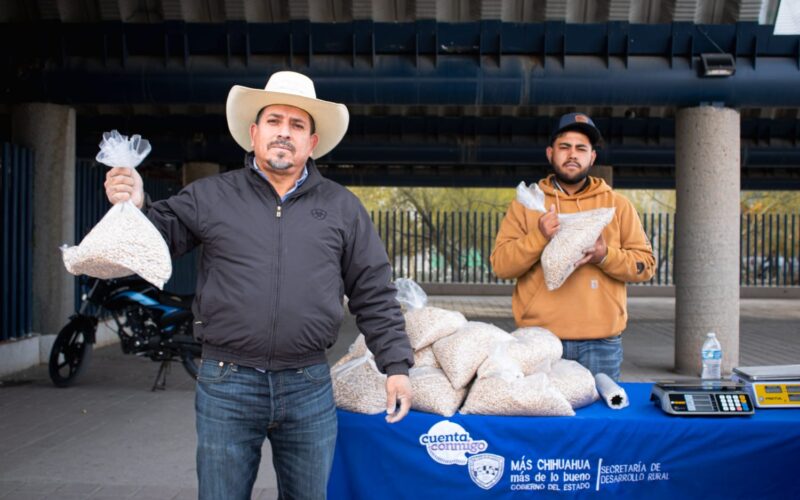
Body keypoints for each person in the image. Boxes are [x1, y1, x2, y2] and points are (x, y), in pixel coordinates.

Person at [104, 71, 414, 500]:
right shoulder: (211, 195)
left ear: (312, 142)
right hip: (227, 383)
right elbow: (159, 236)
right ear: (254, 133)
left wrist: (396, 365)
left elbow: (373, 290)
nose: (284, 133)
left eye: (297, 125)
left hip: (308, 384)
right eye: (274, 121)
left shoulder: (343, 208)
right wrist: (136, 204)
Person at [491, 112, 655, 381]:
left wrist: (604, 256)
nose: (572, 155)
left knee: (600, 422)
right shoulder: (526, 205)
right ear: (550, 153)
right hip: (539, 340)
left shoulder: (617, 205)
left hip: (601, 343)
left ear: (592, 157)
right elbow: (501, 265)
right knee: (541, 421)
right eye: (564, 147)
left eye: (581, 149)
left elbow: (645, 266)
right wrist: (539, 236)